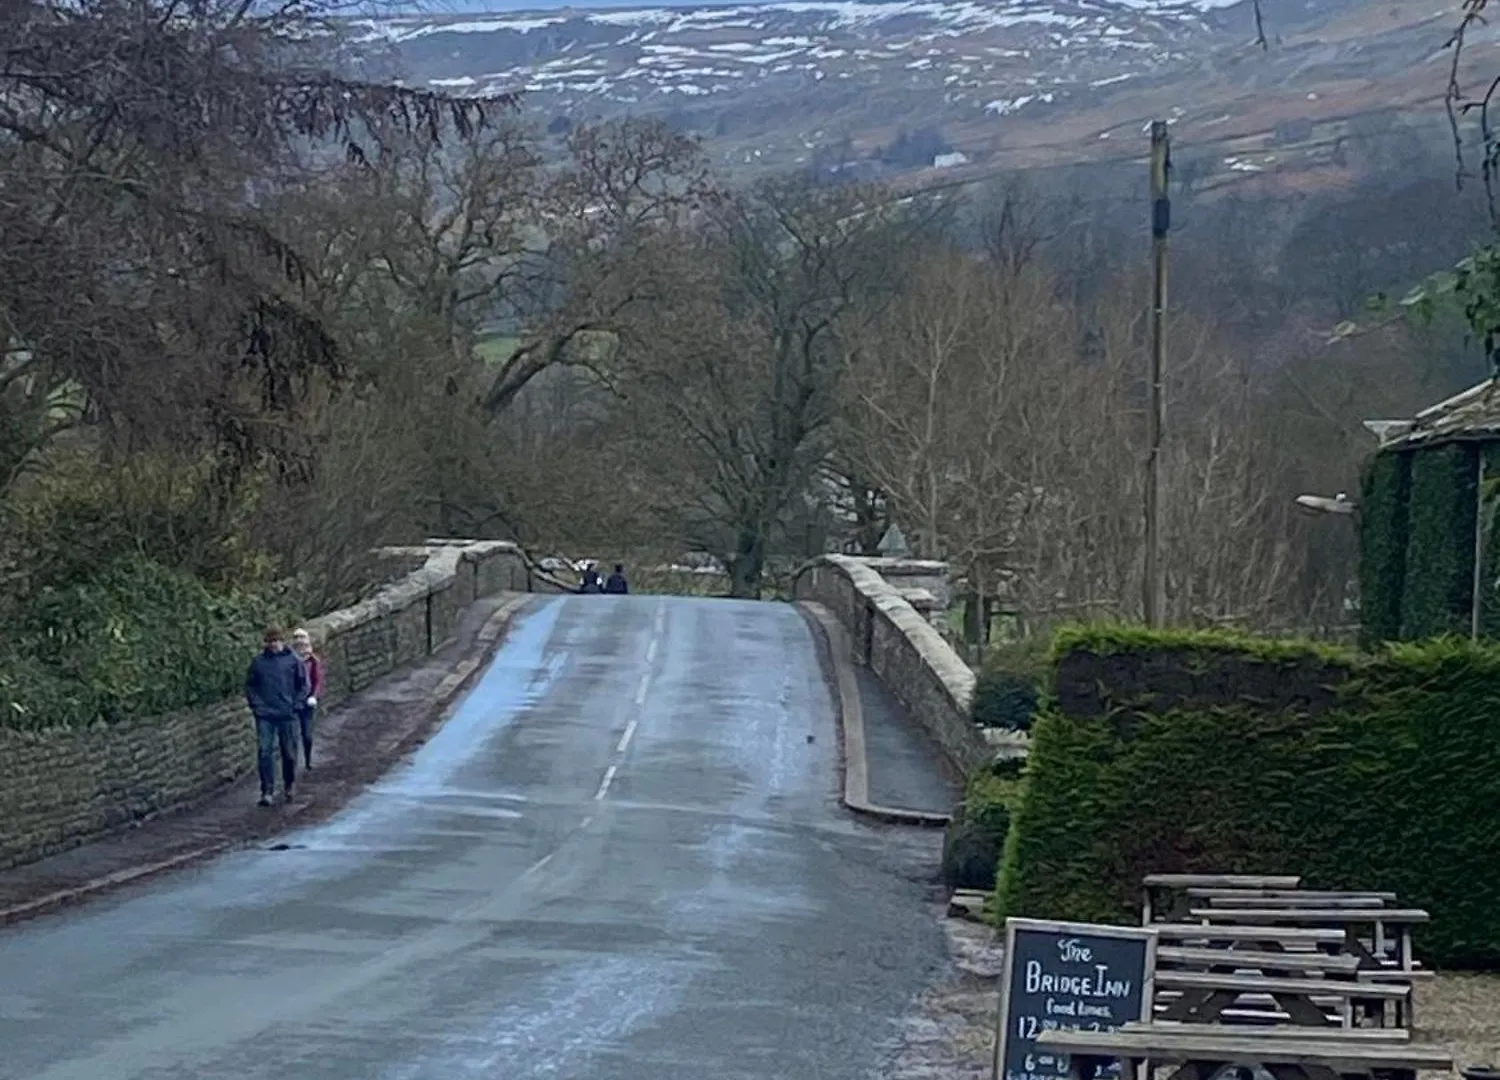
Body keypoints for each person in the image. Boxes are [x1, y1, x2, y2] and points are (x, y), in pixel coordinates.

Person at [245, 626, 309, 806]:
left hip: (287, 714)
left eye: (276, 641)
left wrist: (296, 705)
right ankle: (267, 790)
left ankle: (289, 784)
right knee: (265, 752)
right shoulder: (258, 663)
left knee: (288, 752)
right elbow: (250, 686)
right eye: (270, 642)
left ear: (282, 641)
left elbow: (303, 685)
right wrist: (257, 706)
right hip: (265, 715)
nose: (273, 645)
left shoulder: (293, 660)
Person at [291, 627, 324, 771]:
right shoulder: (289, 660)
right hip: (292, 701)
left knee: (307, 734)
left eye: (302, 639)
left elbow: (317, 680)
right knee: (291, 735)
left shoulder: (313, 661)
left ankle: (308, 759)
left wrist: (313, 696)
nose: (300, 642)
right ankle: (292, 762)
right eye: (297, 638)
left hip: (307, 702)